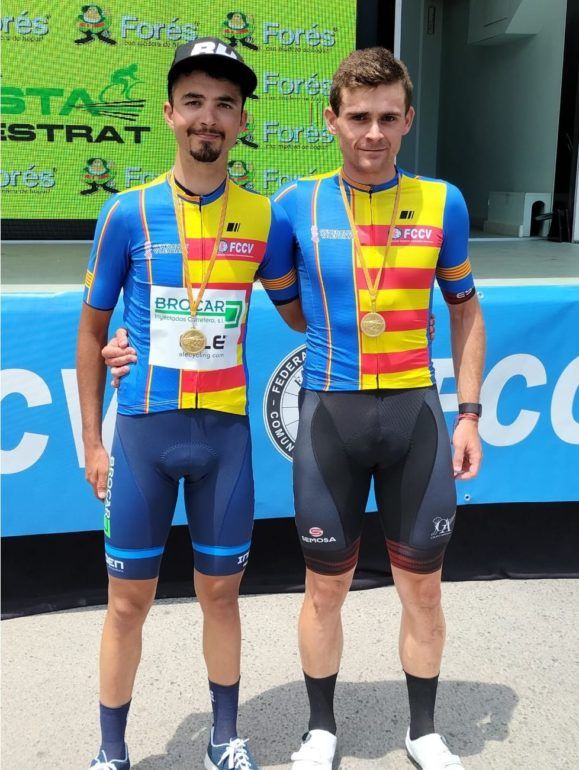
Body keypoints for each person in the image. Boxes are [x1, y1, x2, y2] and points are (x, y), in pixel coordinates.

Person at [104, 46, 485, 770]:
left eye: (387, 118)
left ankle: (423, 730)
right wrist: (130, 339)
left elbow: (466, 311)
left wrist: (468, 413)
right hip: (330, 419)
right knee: (324, 588)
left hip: (417, 418)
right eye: (358, 117)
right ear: (331, 120)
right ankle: (320, 730)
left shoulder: (445, 202)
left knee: (424, 590)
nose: (373, 133)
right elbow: (231, 284)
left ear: (408, 120)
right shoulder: (290, 207)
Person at [77, 37, 303, 770]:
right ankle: (112, 753)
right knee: (126, 603)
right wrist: (93, 442)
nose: (210, 116)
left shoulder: (265, 219)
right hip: (143, 435)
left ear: (242, 121)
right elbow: (92, 332)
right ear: (171, 113)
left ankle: (224, 739)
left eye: (225, 104)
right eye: (195, 102)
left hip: (224, 440)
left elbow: (303, 313)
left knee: (221, 596)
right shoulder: (126, 213)